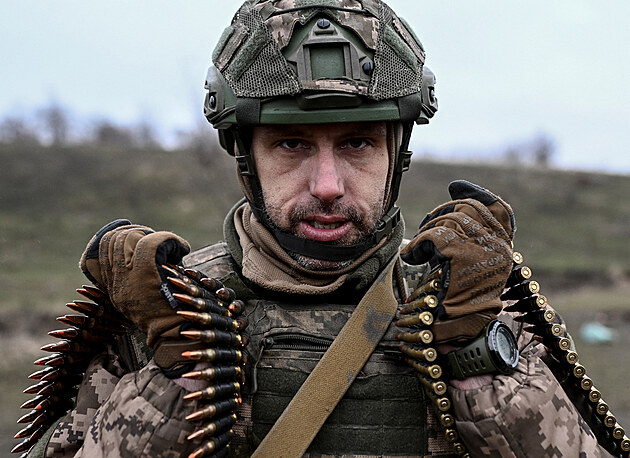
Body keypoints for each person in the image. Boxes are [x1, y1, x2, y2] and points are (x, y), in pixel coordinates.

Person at [15, 1, 624, 457]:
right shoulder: (169, 317)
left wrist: (477, 363)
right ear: (245, 156)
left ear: (397, 154)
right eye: (292, 143)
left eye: (357, 143)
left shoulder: (469, 306)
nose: (328, 184)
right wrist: (172, 384)